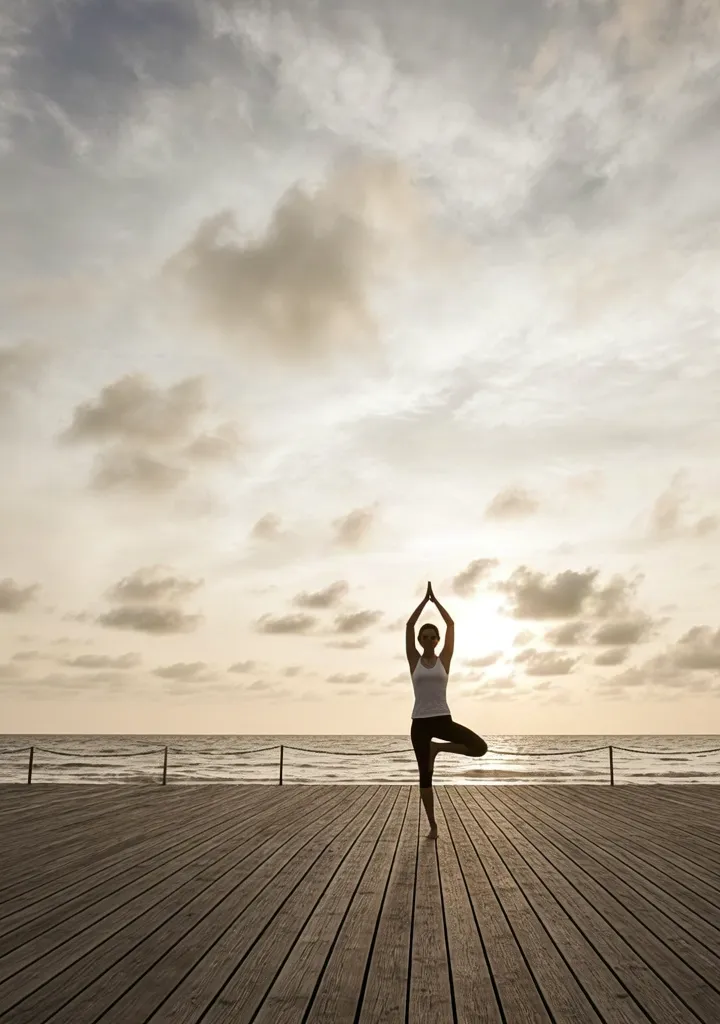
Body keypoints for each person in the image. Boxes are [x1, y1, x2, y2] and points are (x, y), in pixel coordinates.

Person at [407, 581, 488, 839]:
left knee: (479, 747)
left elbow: (451, 625)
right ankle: (432, 825)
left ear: (438, 640)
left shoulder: (444, 660)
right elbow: (409, 626)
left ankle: (438, 748)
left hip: (443, 719)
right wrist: (423, 601)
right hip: (419, 722)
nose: (429, 639)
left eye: (433, 636)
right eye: (425, 637)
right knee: (425, 777)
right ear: (420, 641)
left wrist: (436, 601)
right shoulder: (414, 660)